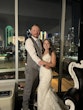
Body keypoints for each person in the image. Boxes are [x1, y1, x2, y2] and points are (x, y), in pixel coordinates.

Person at [37, 39, 66, 110]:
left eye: (47, 43)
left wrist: (44, 63)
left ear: (50, 45)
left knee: (41, 90)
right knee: (45, 91)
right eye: (44, 43)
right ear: (43, 44)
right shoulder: (42, 52)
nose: (46, 45)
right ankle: (42, 106)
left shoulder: (52, 53)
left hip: (47, 74)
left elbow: (53, 64)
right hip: (42, 73)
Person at [22, 24, 44, 110]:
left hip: (39, 69)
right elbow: (33, 55)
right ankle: (25, 107)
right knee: (28, 89)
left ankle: (31, 104)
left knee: (34, 88)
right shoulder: (29, 41)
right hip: (31, 69)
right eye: (34, 30)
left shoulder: (41, 41)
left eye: (38, 31)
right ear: (31, 31)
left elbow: (42, 53)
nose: (36, 32)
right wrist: (42, 63)